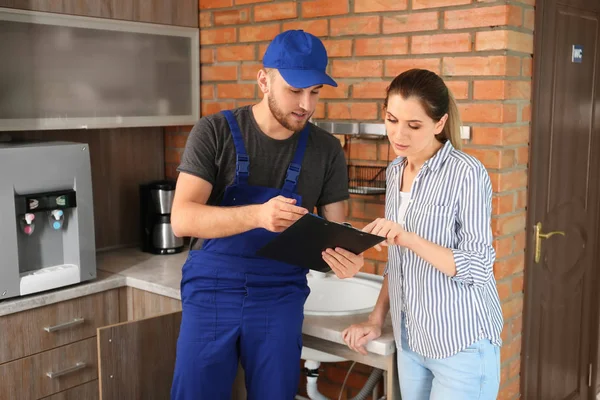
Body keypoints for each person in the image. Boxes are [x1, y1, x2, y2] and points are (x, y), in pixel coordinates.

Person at [169, 30, 365, 400]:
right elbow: (182, 219)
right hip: (211, 291)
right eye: (295, 90)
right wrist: (257, 216)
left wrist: (344, 258)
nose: (306, 104)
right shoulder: (214, 132)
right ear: (264, 79)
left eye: (316, 93)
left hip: (279, 297)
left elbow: (334, 230)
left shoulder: (326, 151)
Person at [341, 69, 504, 399]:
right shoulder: (396, 170)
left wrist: (408, 237)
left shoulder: (467, 173)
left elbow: (477, 267)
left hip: (460, 345)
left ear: (439, 124)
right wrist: (376, 319)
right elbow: (397, 260)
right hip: (411, 341)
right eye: (391, 119)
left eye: (414, 125)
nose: (398, 135)